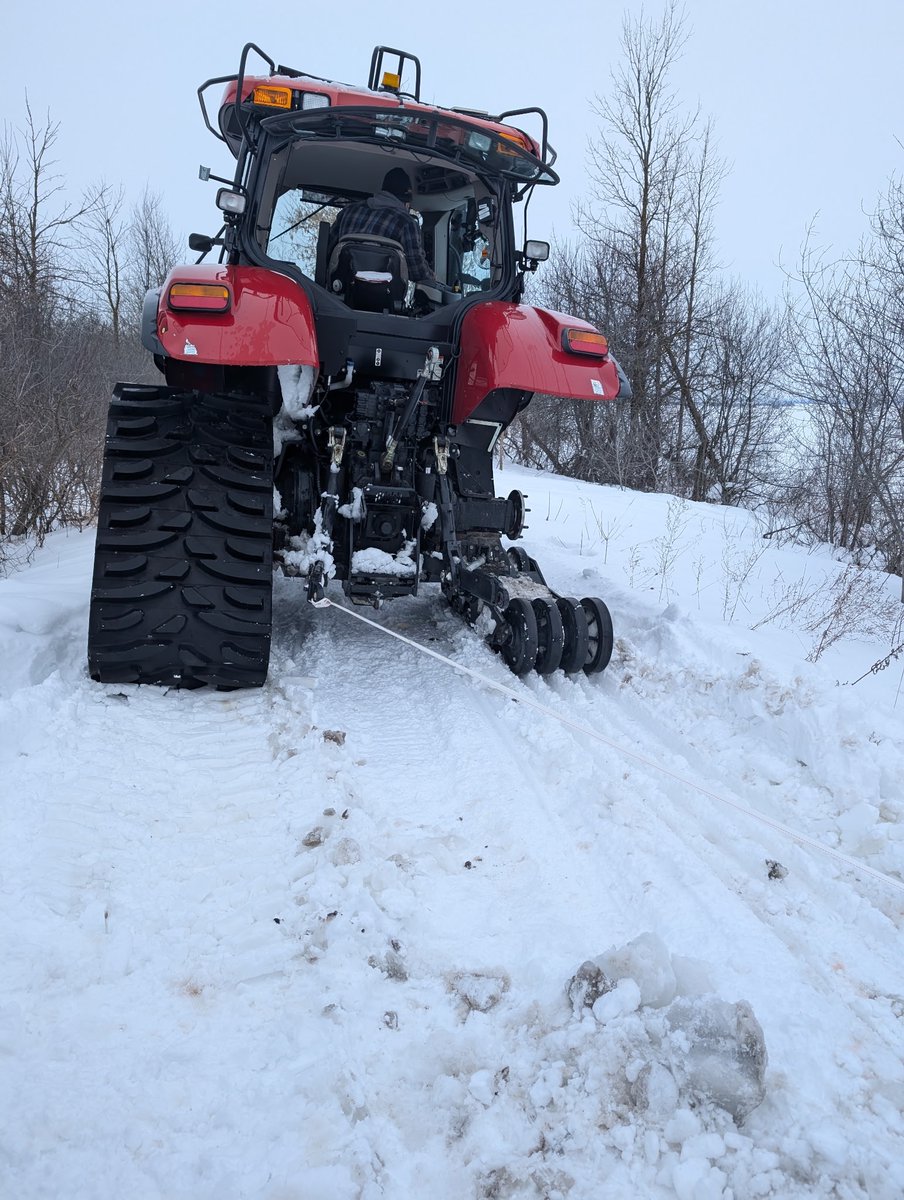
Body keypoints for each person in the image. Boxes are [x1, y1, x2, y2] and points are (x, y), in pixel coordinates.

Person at [330, 167, 440, 287]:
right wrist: (431, 277)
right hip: (384, 299)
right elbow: (417, 272)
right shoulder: (407, 223)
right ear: (406, 203)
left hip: (341, 290)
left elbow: (329, 250)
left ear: (383, 192)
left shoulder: (348, 211)